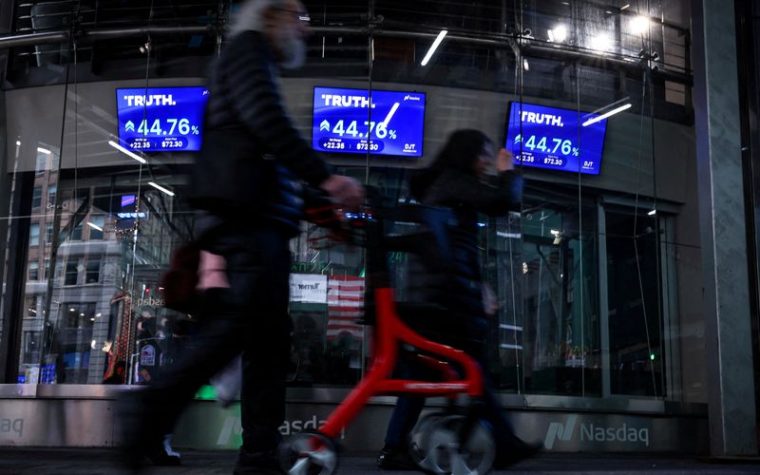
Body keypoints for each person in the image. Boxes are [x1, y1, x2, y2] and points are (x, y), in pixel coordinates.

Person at [118, 0, 364, 473]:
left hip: (258, 222)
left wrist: (318, 202)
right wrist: (328, 177)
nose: (305, 29)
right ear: (271, 15)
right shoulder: (248, 50)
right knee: (233, 331)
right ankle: (151, 405)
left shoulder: (254, 60)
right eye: (298, 17)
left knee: (267, 348)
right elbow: (266, 122)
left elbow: (263, 147)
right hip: (248, 224)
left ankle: (257, 456)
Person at [377, 129, 540, 470]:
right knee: (475, 367)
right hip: (447, 303)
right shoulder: (454, 182)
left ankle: (393, 447)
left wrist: (479, 285)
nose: (487, 162)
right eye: (484, 154)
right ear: (468, 155)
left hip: (437, 298)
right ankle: (501, 443)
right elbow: (501, 202)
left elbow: (454, 248)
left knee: (422, 371)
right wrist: (509, 171)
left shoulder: (444, 187)